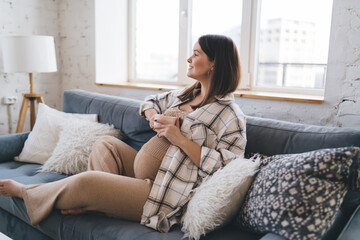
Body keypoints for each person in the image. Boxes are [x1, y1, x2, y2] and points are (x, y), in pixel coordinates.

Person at [0, 34, 247, 233]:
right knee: (105, 144)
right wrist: (153, 118)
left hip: (164, 191)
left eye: (196, 54)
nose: (188, 59)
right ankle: (96, 204)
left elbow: (227, 167)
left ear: (214, 63)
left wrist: (178, 138)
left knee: (88, 181)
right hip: (142, 175)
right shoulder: (187, 94)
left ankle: (25, 192)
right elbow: (150, 102)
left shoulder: (230, 115)